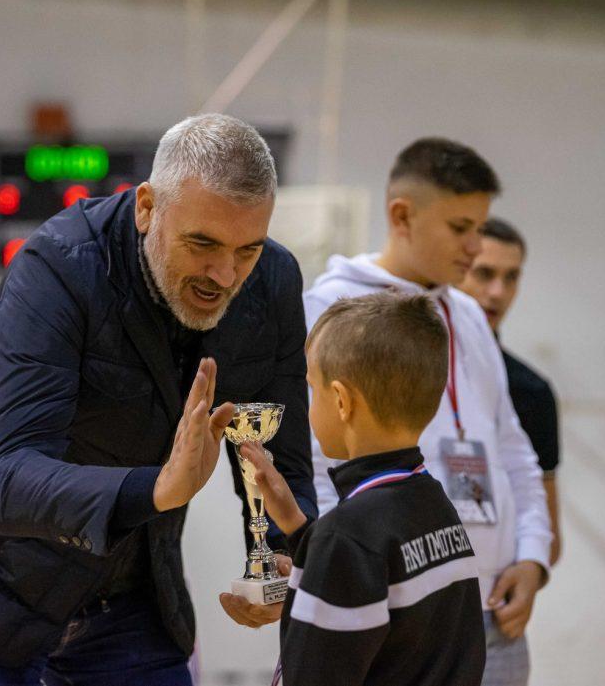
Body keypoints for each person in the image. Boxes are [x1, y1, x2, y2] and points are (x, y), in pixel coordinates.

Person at [0, 114, 318, 685]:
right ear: (147, 208)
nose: (226, 274)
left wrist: (284, 556)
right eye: (202, 243)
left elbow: (280, 452)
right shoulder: (60, 265)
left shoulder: (273, 281)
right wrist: (156, 490)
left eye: (247, 249)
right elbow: (3, 480)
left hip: (123, 590)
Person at [303, 139, 551, 686]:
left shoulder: (468, 314)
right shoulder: (332, 308)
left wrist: (533, 556)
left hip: (494, 605)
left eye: (480, 227)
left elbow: (513, 449)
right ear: (401, 216)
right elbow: (317, 463)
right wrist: (344, 578)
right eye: (460, 227)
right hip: (397, 610)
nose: (475, 246)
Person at [240, 292, 485, 686]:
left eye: (313, 388)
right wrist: (300, 530)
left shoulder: (346, 537)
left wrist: (323, 546)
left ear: (341, 401)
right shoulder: (436, 502)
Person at [458, 218, 562, 565]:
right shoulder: (414, 371)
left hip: (493, 582)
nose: (497, 292)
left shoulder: (532, 392)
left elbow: (549, 537)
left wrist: (530, 567)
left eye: (511, 277)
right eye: (484, 273)